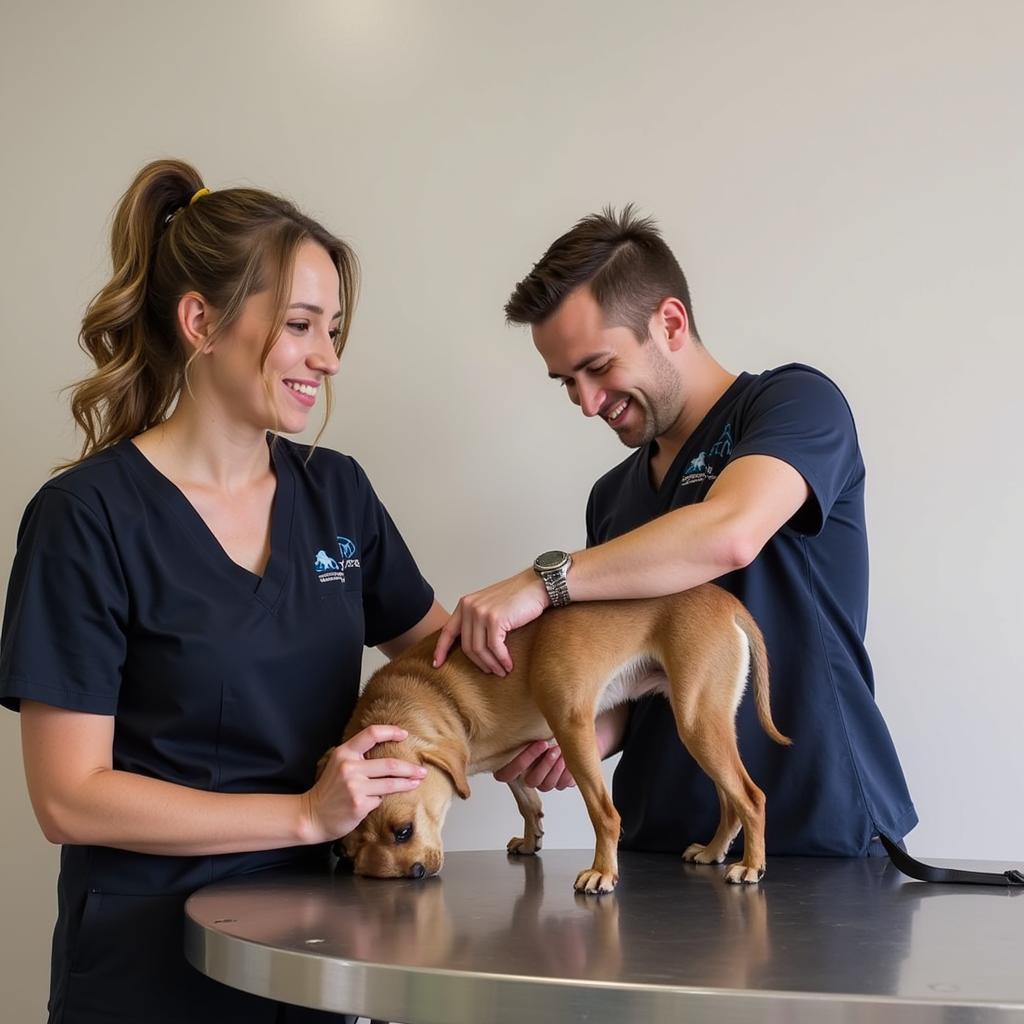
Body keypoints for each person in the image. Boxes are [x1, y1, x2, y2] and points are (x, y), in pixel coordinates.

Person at [0, 159, 452, 1023]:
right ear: (200, 321)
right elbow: (68, 796)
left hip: (321, 949)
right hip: (150, 963)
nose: (327, 357)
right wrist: (303, 816)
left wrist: (566, 702)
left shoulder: (337, 492)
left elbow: (444, 658)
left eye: (335, 329)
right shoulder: (85, 518)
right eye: (300, 325)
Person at [433, 206, 917, 858]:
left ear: (669, 323)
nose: (587, 402)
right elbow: (634, 682)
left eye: (598, 367)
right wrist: (580, 736)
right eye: (566, 383)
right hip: (654, 850)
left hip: (815, 836)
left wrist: (542, 581)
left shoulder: (794, 406)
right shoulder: (612, 498)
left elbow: (731, 531)